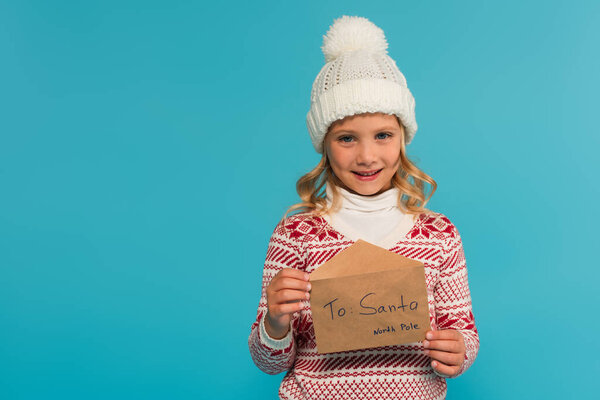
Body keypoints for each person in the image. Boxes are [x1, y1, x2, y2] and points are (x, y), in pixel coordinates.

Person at [248, 15, 479, 400]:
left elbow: (463, 334)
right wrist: (274, 322)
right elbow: (269, 363)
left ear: (402, 139)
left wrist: (458, 351)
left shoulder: (439, 234)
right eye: (347, 138)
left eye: (383, 135)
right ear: (324, 144)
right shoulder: (296, 234)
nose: (367, 155)